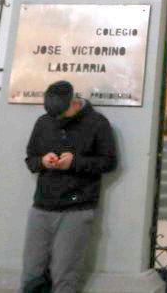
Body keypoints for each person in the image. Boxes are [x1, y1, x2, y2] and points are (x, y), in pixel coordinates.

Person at [21, 80, 117, 293]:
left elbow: (109, 162)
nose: (57, 119)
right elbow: (31, 159)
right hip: (41, 206)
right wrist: (42, 161)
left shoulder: (97, 123)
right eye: (53, 115)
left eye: (61, 114)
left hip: (76, 207)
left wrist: (75, 162)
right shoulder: (44, 122)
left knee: (64, 274)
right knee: (31, 271)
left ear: (74, 102)